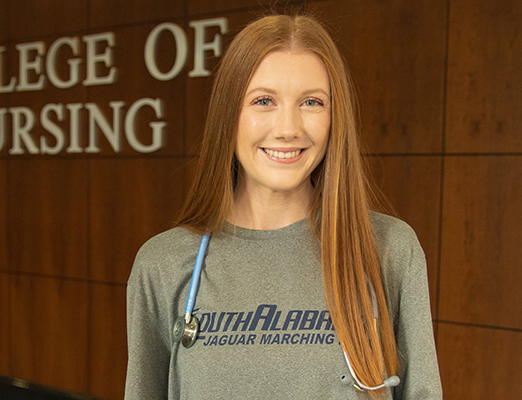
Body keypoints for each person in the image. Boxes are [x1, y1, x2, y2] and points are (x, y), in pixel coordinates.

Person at [125, 14, 442, 400]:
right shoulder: (163, 264)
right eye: (263, 101)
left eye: (311, 102)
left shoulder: (388, 250)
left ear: (333, 116)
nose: (289, 127)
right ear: (229, 115)